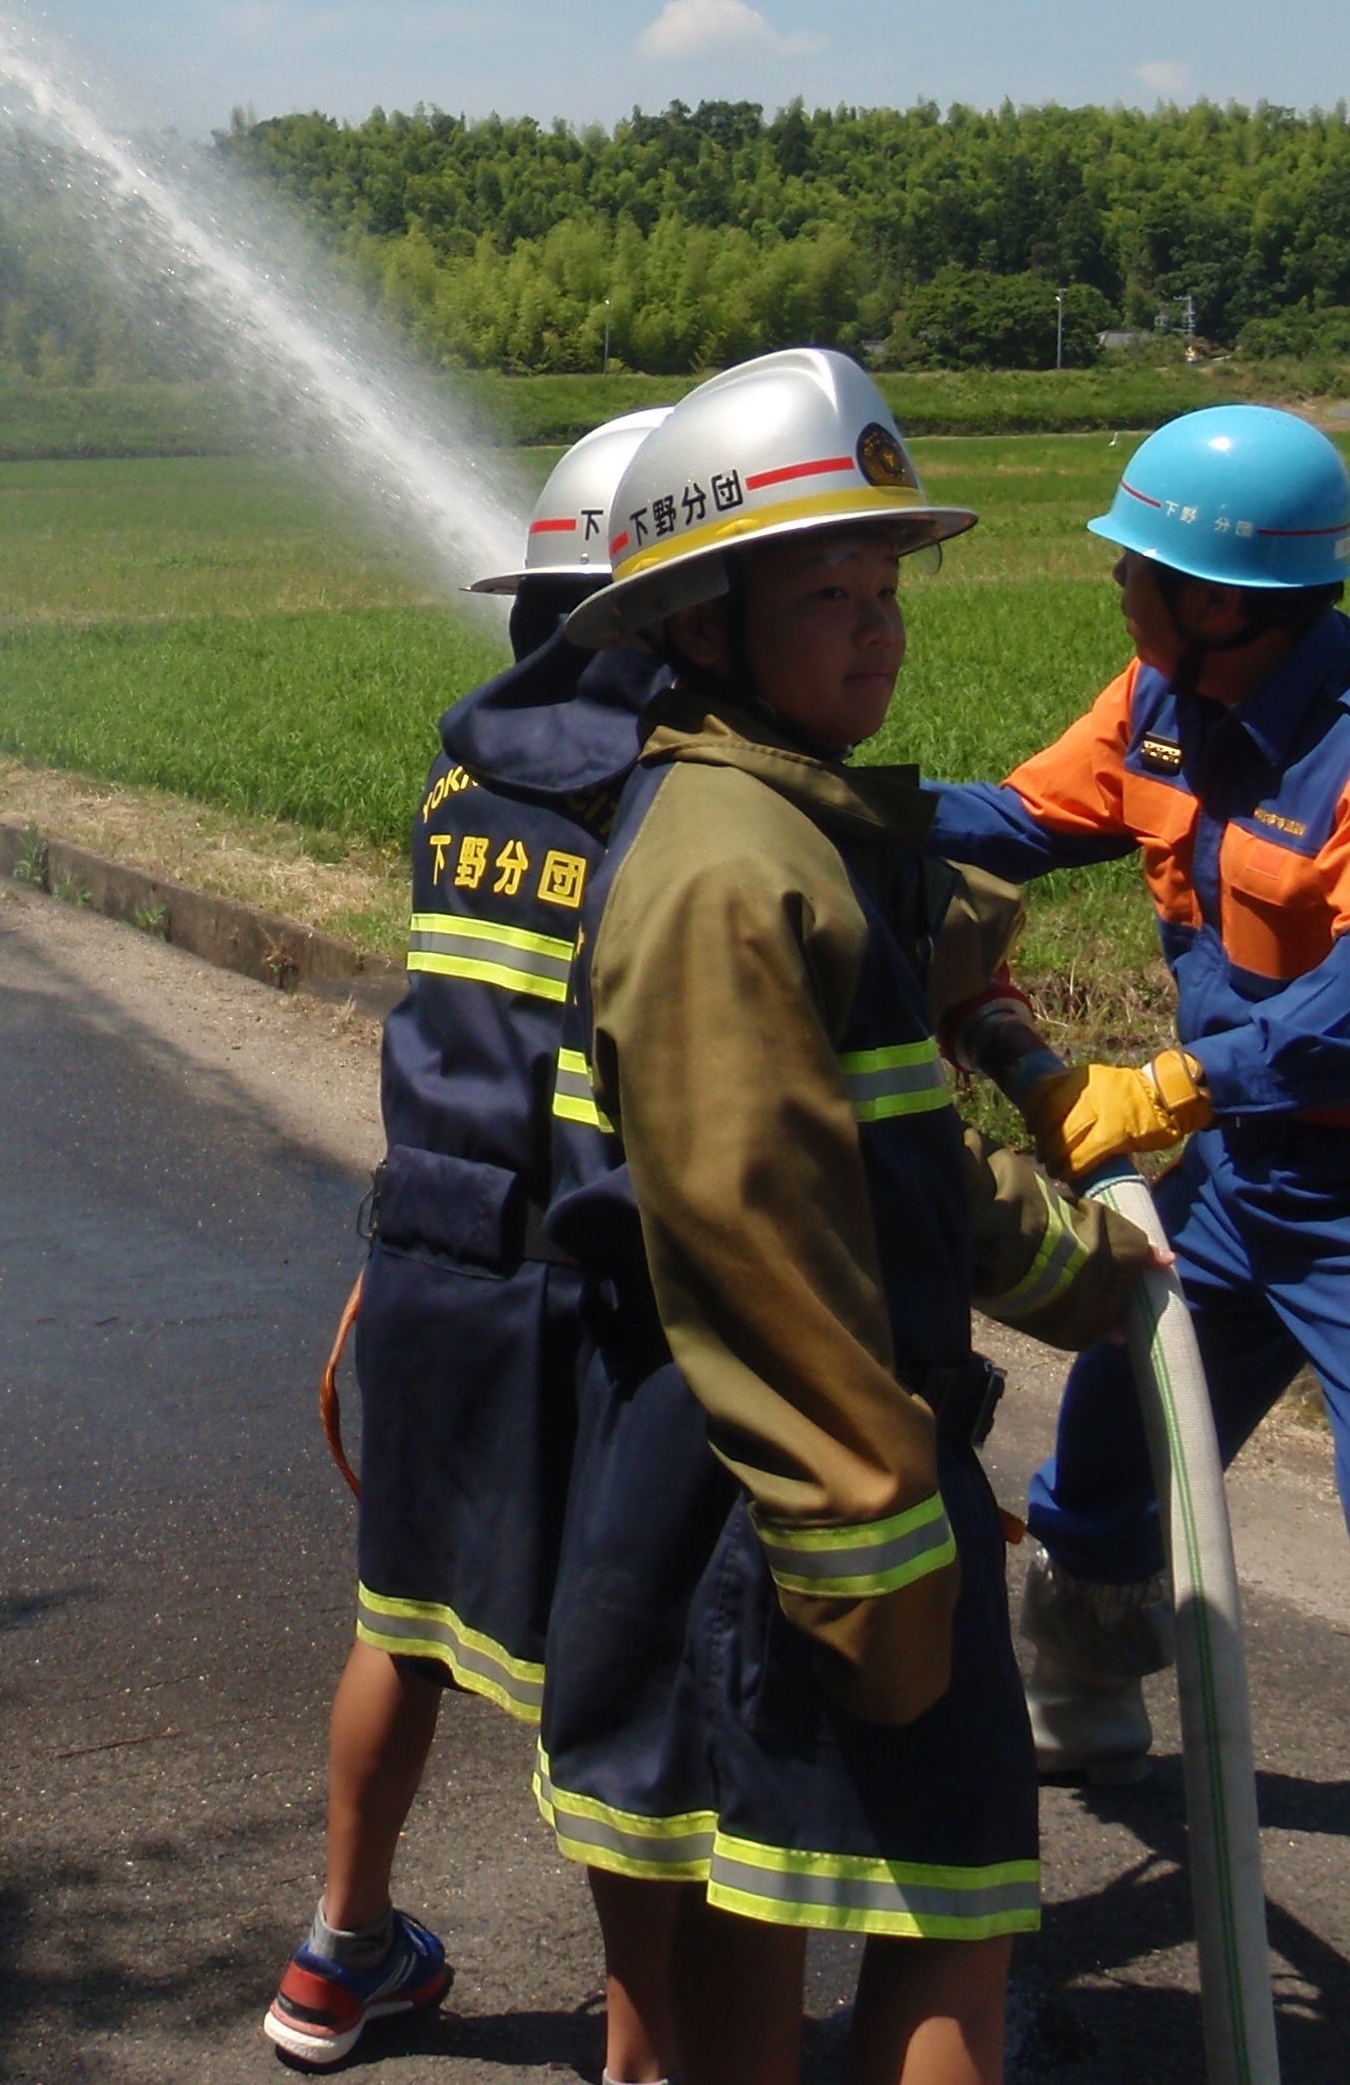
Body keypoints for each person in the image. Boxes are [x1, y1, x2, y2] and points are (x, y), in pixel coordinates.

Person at [922, 406, 1350, 2073]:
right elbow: (1015, 821)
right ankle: (1084, 1677)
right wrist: (824, 800)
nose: (1122, 585)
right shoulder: (1158, 701)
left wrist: (1177, 1081)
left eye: (1147, 567)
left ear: (1227, 597)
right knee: (1117, 1431)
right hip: (1243, 1183)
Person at [531, 351, 1152, 2085]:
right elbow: (768, 1241)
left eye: (888, 586)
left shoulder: (777, 826)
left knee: (764, 1886)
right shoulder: (738, 868)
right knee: (950, 1916)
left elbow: (895, 1169)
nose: (878, 630)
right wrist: (874, 1536)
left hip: (769, 1477)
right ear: (706, 627)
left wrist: (1072, 1266)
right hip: (813, 1476)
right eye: (827, 592)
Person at [269, 406, 691, 2073]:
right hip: (585, 1290)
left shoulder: (465, 769)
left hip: (426, 1258)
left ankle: (338, 1952)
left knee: (404, 1627)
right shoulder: (671, 804)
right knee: (623, 1694)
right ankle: (643, 2054)